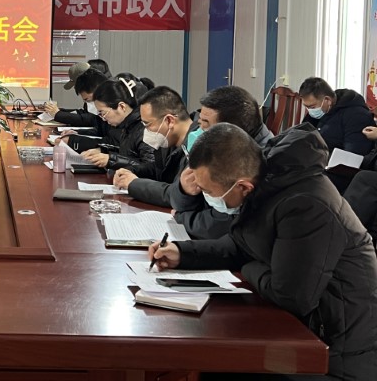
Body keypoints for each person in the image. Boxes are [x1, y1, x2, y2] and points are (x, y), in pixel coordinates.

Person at [149, 123, 377, 381]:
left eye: (208, 192)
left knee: (220, 361)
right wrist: (182, 253)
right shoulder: (267, 183)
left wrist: (247, 265)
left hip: (336, 354)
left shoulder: (306, 205)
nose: (205, 196)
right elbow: (240, 244)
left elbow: (290, 296)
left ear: (242, 186)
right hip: (304, 329)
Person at [171, 86, 273, 239]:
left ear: (230, 131)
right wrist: (183, 190)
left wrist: (181, 218)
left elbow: (223, 223)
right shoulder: (213, 148)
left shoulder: (261, 163)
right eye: (200, 121)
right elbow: (178, 193)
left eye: (206, 124)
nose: (199, 130)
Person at [112, 86, 193, 207]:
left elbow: (177, 193)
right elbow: (159, 170)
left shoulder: (197, 147)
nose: (145, 131)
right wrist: (131, 171)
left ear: (169, 120)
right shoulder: (169, 140)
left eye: (147, 124)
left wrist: (134, 184)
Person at [298, 77, 374, 192]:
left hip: (337, 173)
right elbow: (303, 134)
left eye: (312, 107)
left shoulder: (357, 115)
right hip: (315, 163)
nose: (310, 111)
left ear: (327, 100)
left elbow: (352, 159)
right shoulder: (321, 111)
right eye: (306, 107)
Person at [77, 79, 156, 178]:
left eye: (103, 113)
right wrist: (103, 151)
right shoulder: (128, 125)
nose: (103, 119)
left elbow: (150, 168)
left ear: (121, 107)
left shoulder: (144, 128)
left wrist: (111, 160)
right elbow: (129, 153)